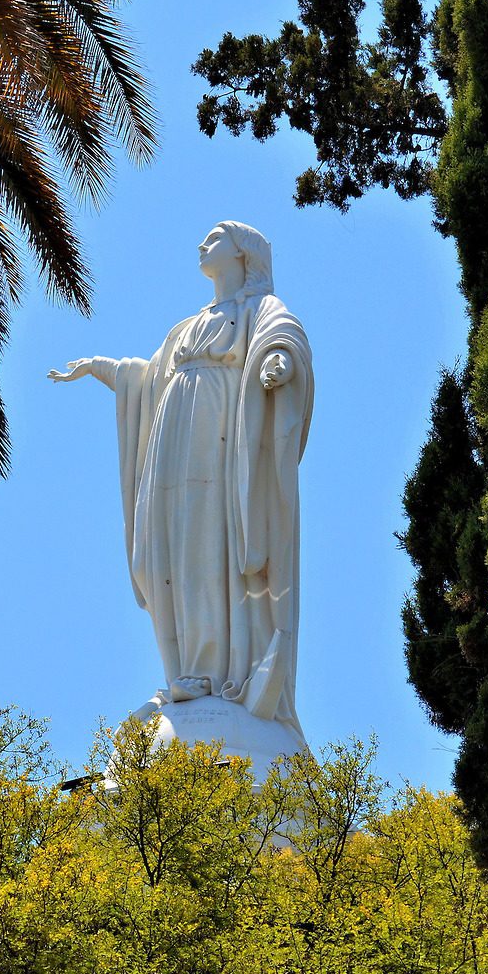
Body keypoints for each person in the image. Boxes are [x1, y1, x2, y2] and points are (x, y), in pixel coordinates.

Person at [48, 221, 313, 740]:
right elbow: (150, 378)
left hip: (223, 440)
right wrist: (106, 369)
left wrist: (278, 362)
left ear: (243, 255)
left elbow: (285, 340)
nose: (201, 245)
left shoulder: (260, 310)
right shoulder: (189, 326)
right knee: (169, 550)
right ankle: (184, 669)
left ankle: (217, 672)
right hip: (174, 441)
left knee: (212, 546)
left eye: (214, 239)